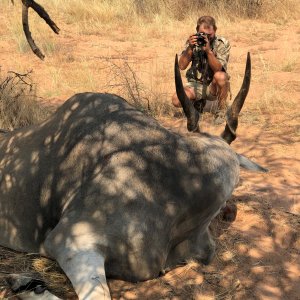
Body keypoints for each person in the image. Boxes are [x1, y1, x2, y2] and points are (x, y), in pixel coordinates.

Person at [172, 16, 231, 124]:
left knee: (221, 76)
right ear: (197, 31)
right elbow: (181, 66)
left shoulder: (221, 43)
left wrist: (208, 51)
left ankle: (221, 111)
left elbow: (219, 69)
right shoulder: (193, 41)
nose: (206, 37)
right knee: (176, 99)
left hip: (213, 86)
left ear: (215, 30)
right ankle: (196, 106)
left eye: (209, 34)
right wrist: (190, 48)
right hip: (196, 85)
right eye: (203, 34)